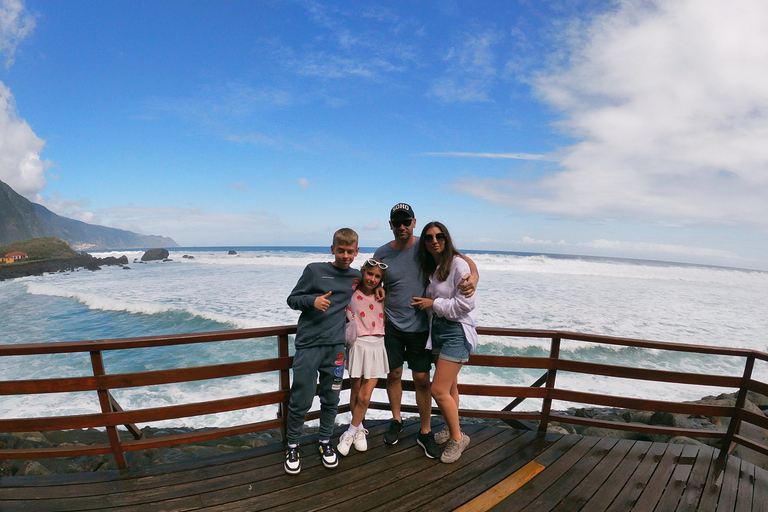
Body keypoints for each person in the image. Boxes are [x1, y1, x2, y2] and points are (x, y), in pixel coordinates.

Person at [373, 203, 478, 459]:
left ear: (413, 222)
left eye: (406, 222)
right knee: (394, 374)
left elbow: (462, 260)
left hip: (423, 327)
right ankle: (397, 420)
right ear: (390, 225)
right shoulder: (382, 252)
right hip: (393, 325)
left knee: (424, 381)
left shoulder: (425, 246)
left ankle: (426, 430)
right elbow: (369, 276)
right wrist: (376, 288)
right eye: (396, 223)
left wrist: (474, 275)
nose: (401, 227)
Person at [284, 228, 361, 475]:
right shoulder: (314, 270)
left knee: (331, 398)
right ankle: (293, 445)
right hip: (309, 345)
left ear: (356, 252)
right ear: (333, 249)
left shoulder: (356, 277)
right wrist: (313, 301)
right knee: (302, 398)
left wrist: (380, 290)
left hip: (336, 348)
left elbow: (374, 282)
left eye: (350, 251)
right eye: (341, 250)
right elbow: (293, 299)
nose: (345, 256)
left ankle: (325, 442)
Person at [411, 221, 478, 463]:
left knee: (438, 389)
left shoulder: (458, 264)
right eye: (429, 238)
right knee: (450, 388)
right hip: (437, 330)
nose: (434, 241)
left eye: (439, 236)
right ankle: (452, 429)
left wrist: (433, 304)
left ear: (447, 239)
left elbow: (466, 305)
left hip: (456, 331)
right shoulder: (435, 266)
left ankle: (459, 439)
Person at [336, 258, 389, 456]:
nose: (373, 279)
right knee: (356, 390)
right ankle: (359, 429)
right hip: (358, 344)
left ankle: (349, 431)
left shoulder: (383, 296)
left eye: (377, 277)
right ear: (362, 273)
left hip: (377, 345)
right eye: (370, 274)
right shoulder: (350, 294)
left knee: (365, 396)